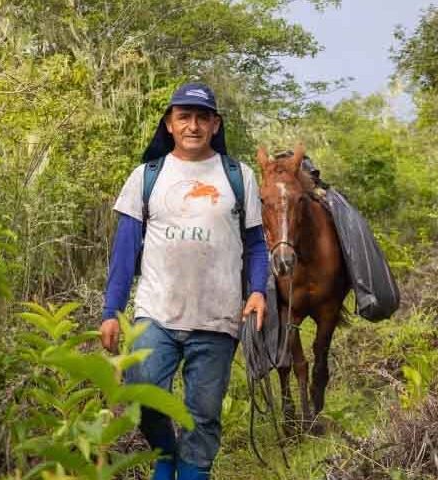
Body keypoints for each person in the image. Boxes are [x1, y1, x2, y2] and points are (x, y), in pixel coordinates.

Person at [98, 82, 269, 480]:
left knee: (204, 414)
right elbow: (125, 251)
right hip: (156, 311)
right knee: (143, 397)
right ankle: (164, 456)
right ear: (170, 124)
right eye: (184, 117)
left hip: (217, 317)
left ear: (215, 124)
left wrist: (257, 290)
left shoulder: (238, 177)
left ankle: (192, 473)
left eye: (202, 117)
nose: (193, 125)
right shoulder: (146, 177)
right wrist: (111, 311)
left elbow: (256, 244)